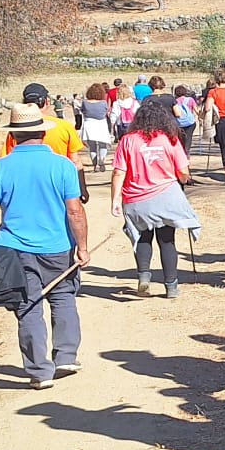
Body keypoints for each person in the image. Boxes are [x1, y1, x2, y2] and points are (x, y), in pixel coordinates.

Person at [0, 103, 91, 390]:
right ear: (42, 133)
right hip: (58, 246)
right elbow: (75, 211)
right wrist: (82, 246)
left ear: (13, 136)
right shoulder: (62, 166)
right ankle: (66, 356)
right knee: (63, 298)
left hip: (14, 250)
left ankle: (39, 372)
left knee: (28, 306)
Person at [112, 97, 200, 299]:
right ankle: (171, 286)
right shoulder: (170, 139)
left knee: (142, 237)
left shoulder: (128, 140)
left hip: (136, 198)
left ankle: (144, 277)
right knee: (167, 241)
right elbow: (183, 172)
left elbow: (119, 172)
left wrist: (115, 200)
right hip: (166, 196)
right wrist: (185, 179)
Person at [4, 83, 89, 202]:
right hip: (58, 183)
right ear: (46, 102)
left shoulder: (16, 131)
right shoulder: (64, 126)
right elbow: (75, 161)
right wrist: (82, 189)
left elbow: (8, 160)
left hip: (25, 186)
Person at [78, 83, 115, 174]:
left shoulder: (85, 103)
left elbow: (82, 111)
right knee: (103, 145)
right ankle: (101, 161)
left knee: (92, 147)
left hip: (89, 125)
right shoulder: (103, 103)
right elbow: (107, 111)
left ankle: (95, 165)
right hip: (101, 125)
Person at [172, 85, 199, 151]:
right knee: (188, 138)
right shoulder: (190, 99)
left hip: (179, 123)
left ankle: (181, 152)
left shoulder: (174, 101)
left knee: (181, 140)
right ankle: (187, 153)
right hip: (190, 123)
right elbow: (197, 111)